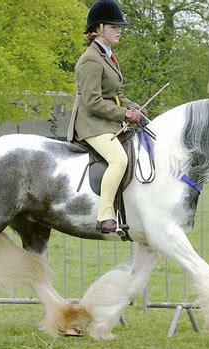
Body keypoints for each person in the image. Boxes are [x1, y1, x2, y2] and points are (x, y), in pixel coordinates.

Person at [67, 0, 144, 234]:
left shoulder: (107, 55)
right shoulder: (90, 59)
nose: (119, 30)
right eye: (114, 26)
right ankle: (104, 215)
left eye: (119, 27)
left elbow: (115, 94)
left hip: (105, 121)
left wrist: (135, 108)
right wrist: (124, 114)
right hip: (91, 124)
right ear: (98, 28)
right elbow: (92, 102)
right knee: (119, 160)